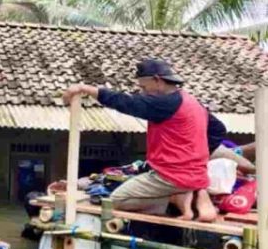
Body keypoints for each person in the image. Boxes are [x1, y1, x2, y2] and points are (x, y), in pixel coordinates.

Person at [63, 58, 216, 222]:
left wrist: (86, 89)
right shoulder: (192, 101)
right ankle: (190, 193)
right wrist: (194, 157)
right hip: (196, 174)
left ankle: (178, 199)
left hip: (170, 175)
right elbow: (218, 130)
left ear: (157, 80)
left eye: (144, 87)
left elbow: (128, 103)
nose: (143, 92)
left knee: (116, 200)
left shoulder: (165, 102)